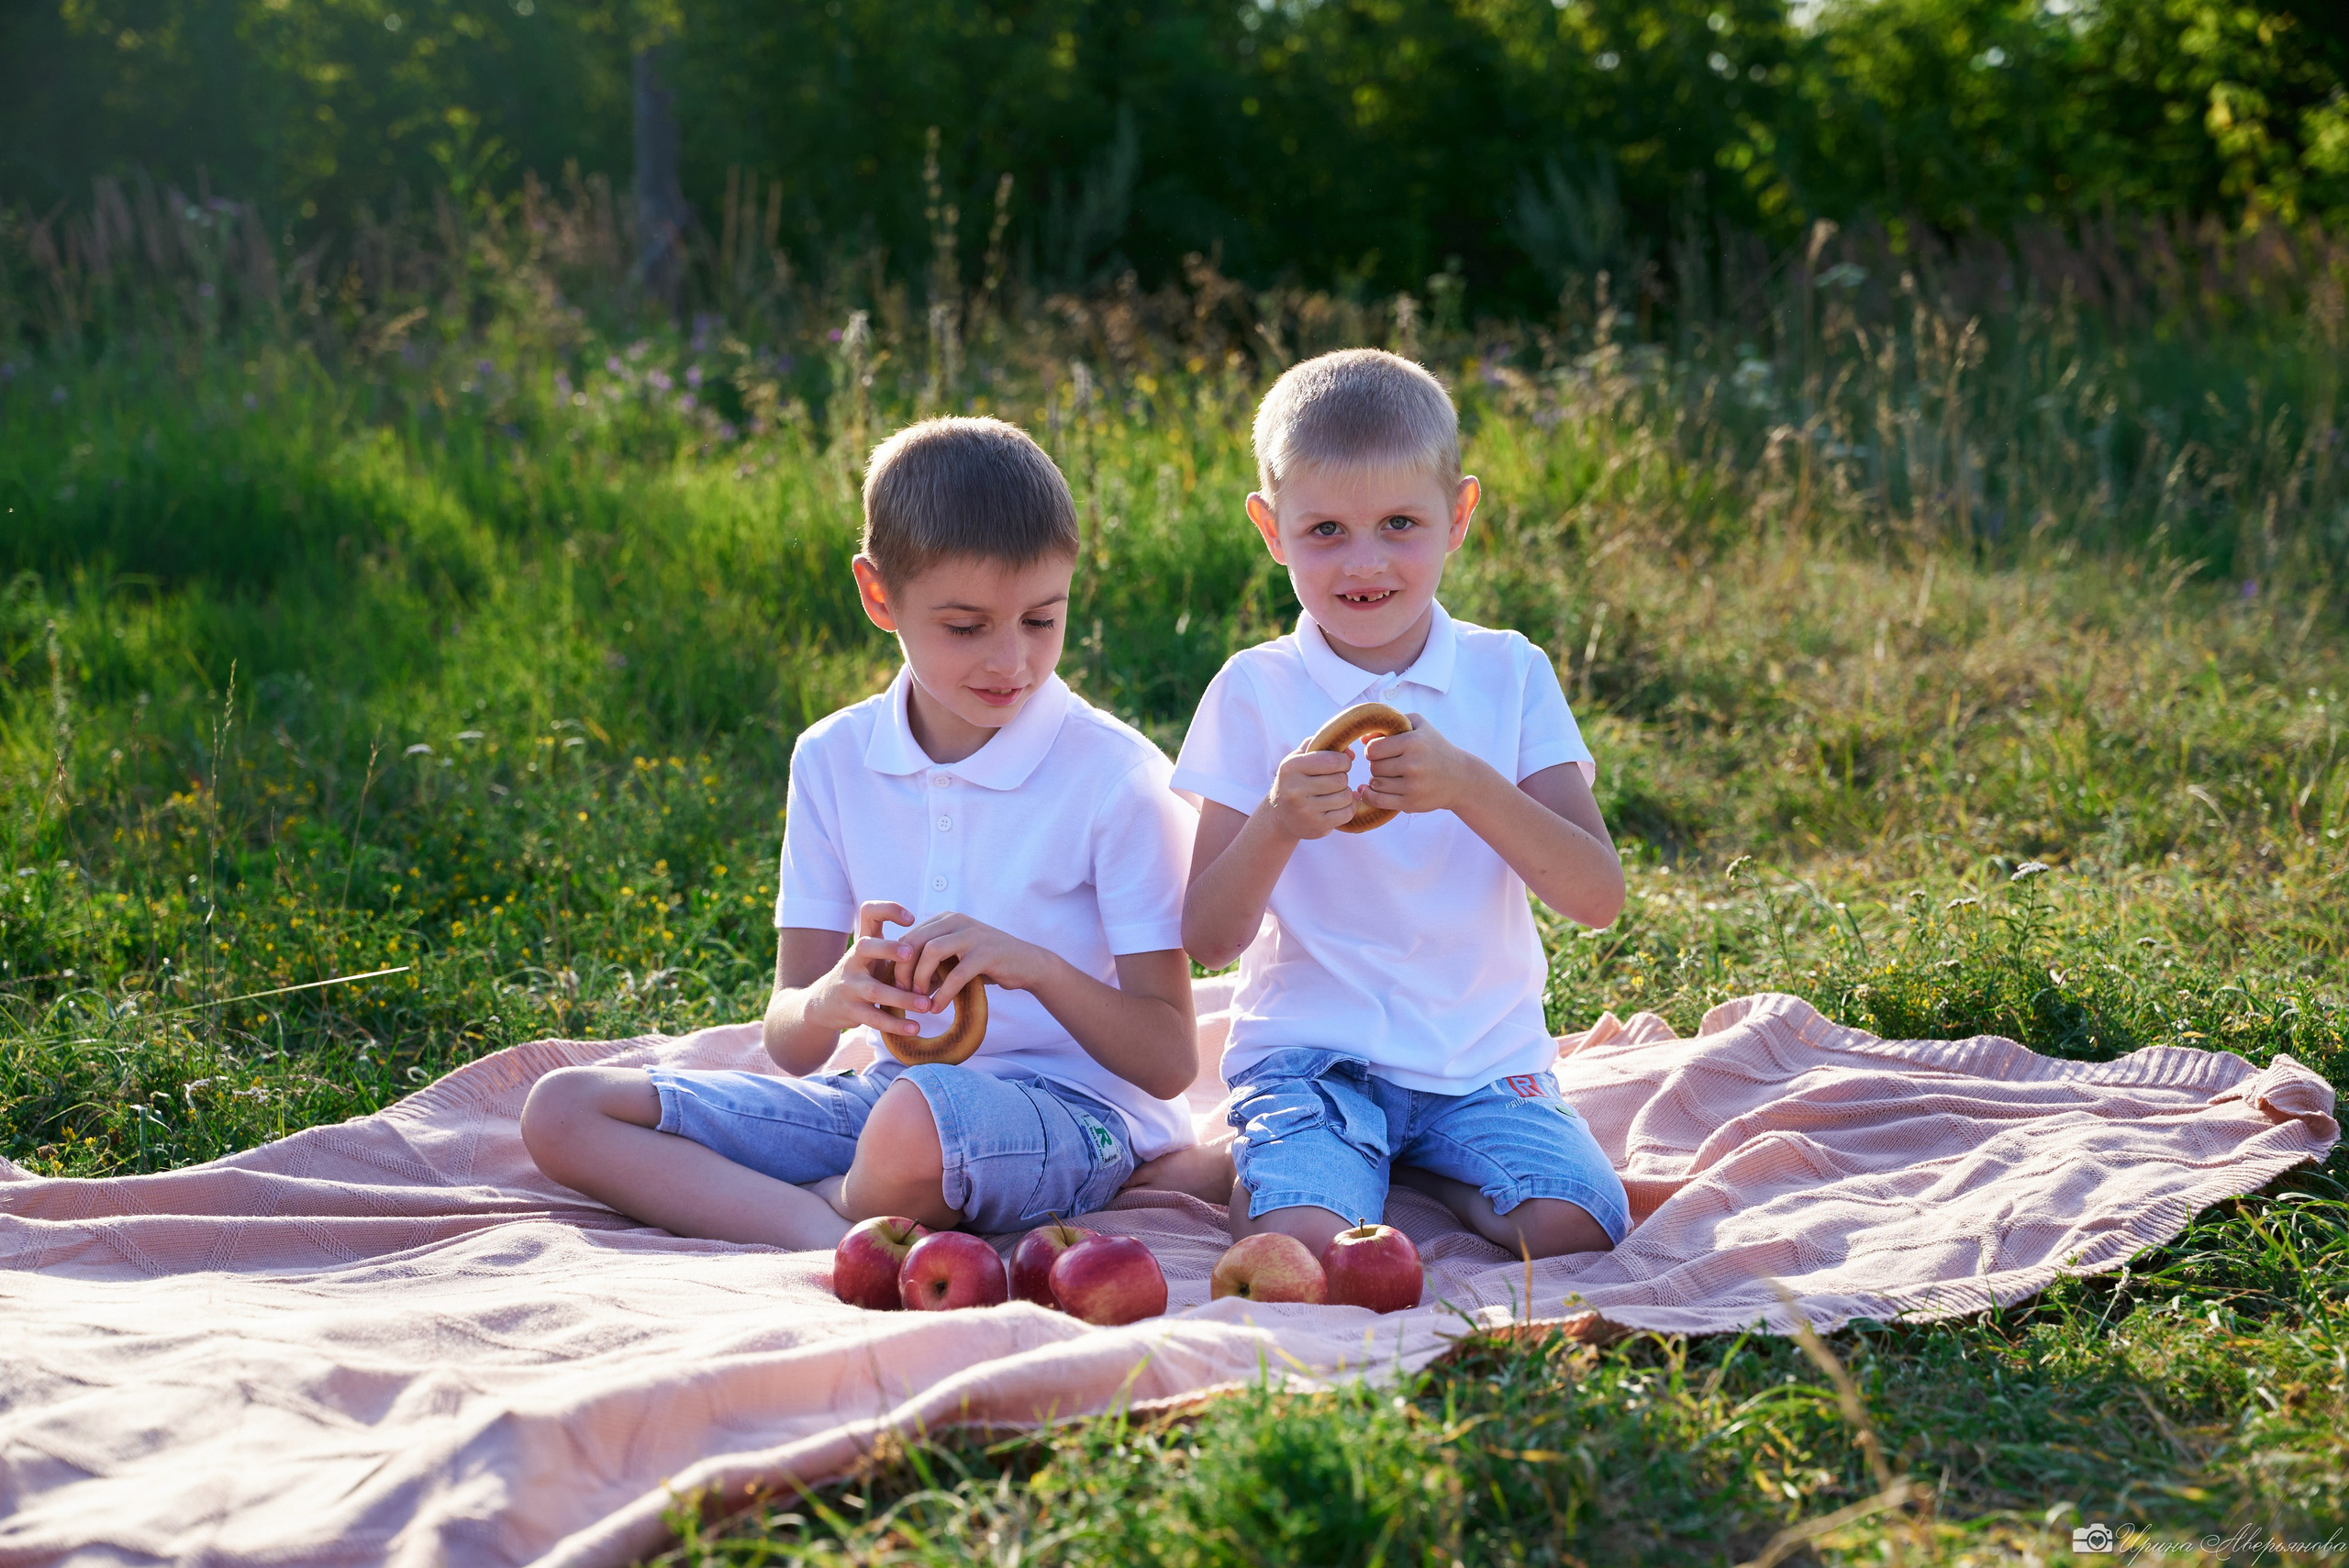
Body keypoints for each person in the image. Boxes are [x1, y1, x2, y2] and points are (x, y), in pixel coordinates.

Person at [522, 417, 1198, 1251]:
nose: (1012, 661)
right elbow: (789, 1037)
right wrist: (830, 997)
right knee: (564, 1108)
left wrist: (1040, 969)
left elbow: (1170, 1060)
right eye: (966, 626)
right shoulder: (832, 758)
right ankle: (829, 1228)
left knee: (913, 1127)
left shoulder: (1117, 776)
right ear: (879, 596)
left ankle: (835, 1219)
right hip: (883, 1098)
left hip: (1080, 1116)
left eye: (1041, 620)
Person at [1131, 348, 1631, 1261]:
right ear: (1270, 527)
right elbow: (1207, 938)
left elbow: (1596, 896)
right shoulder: (1254, 691)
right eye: (1324, 529)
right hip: (1312, 1058)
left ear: (1459, 515)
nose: (1364, 562)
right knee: (1304, 1241)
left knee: (1576, 1222)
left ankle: (1421, 1164)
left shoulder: (1506, 673)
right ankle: (1300, 1156)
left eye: (1400, 522)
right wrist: (1278, 820)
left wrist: (1473, 786)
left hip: (1480, 1063)